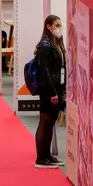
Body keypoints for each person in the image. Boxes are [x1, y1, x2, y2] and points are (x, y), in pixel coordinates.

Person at [34, 14, 67, 169]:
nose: (59, 28)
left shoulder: (57, 43)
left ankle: (47, 156)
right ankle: (41, 157)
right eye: (56, 25)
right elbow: (44, 71)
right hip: (48, 90)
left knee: (50, 122)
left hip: (57, 87)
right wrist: (53, 92)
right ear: (48, 26)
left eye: (60, 25)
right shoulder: (45, 46)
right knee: (45, 122)